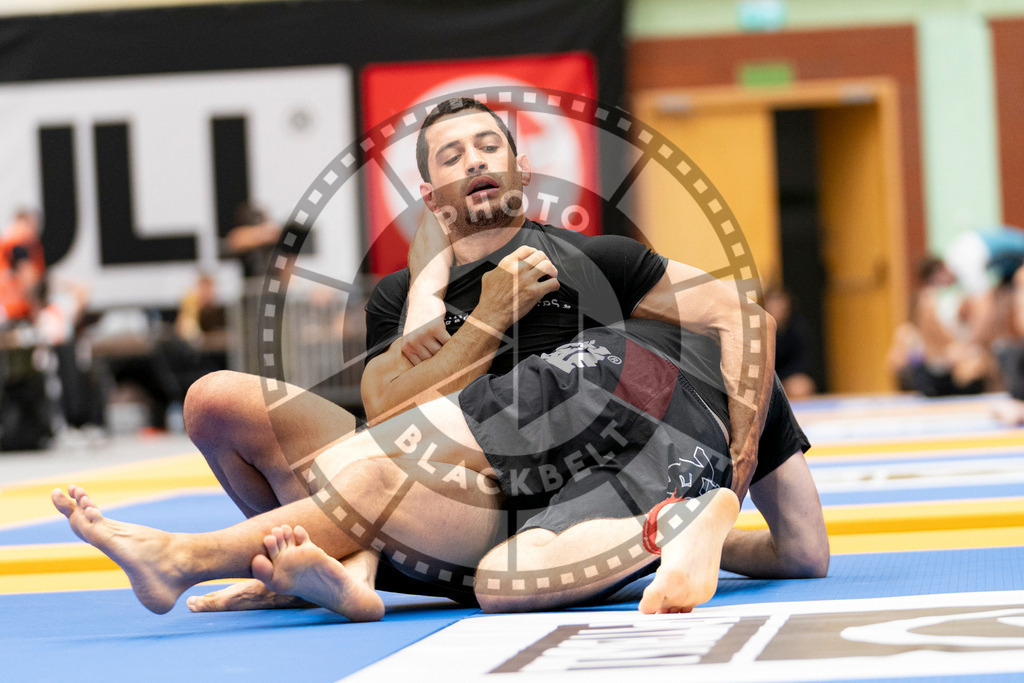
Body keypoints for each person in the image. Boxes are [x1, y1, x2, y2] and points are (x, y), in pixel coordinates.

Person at [70, 97, 822, 616]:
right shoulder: (401, 296)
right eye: (454, 155)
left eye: (490, 146)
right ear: (433, 196)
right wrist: (486, 315)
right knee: (216, 401)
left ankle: (216, 557)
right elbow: (393, 411)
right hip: (452, 481)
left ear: (522, 170)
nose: (476, 160)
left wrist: (744, 443)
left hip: (538, 490)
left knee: (379, 469)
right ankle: (318, 569)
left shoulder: (602, 260)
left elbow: (732, 313)